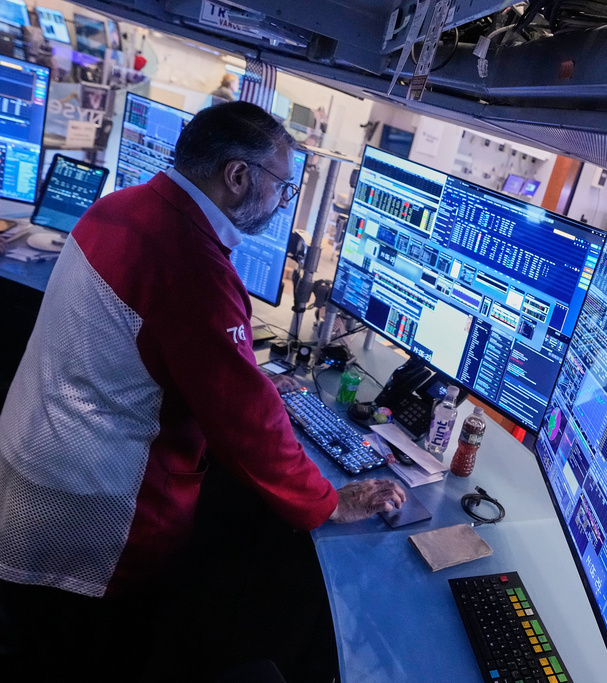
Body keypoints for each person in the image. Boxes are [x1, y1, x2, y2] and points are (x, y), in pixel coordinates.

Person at [0, 101, 405, 680]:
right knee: (84, 659)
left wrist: (242, 366)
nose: (281, 202)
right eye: (282, 187)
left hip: (28, 471)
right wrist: (328, 502)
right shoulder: (191, 264)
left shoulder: (123, 207)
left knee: (36, 642)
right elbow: (247, 427)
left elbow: (156, 349)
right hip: (92, 519)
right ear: (238, 176)